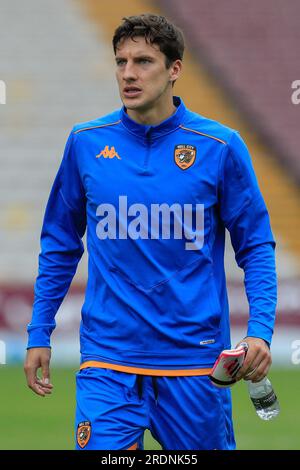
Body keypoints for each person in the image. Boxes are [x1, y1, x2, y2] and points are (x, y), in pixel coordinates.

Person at [24, 14, 277, 450]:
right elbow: (60, 244)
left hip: (194, 364)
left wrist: (260, 330)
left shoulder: (219, 147)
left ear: (174, 69)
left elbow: (255, 245)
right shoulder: (85, 142)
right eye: (121, 62)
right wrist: (38, 331)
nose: (128, 74)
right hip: (108, 362)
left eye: (143, 61)